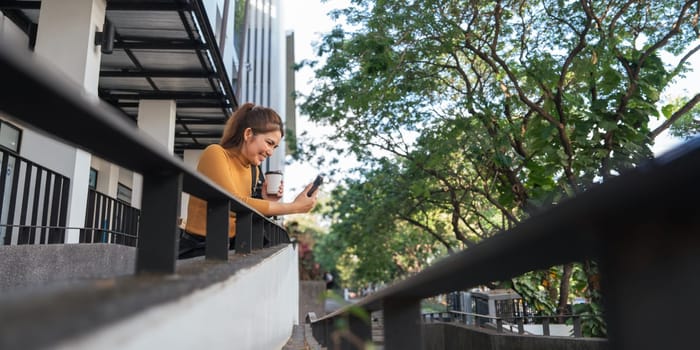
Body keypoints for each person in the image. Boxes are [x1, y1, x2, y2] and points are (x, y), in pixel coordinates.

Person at [179, 103, 319, 259]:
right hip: (199, 248)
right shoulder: (216, 153)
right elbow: (231, 203)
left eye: (275, 147)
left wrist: (265, 200)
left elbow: (243, 211)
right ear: (248, 134)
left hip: (232, 247)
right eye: (269, 143)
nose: (271, 152)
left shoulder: (253, 170)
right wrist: (294, 207)